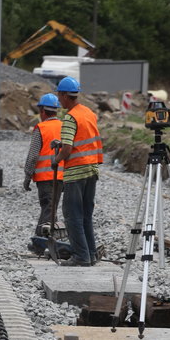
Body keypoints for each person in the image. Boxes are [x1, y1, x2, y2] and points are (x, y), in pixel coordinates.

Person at [54, 76, 103, 266]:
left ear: (66, 96)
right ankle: (90, 254)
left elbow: (67, 149)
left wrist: (55, 160)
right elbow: (83, 139)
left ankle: (81, 257)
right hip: (92, 169)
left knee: (72, 215)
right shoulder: (88, 112)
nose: (58, 99)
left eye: (59, 95)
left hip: (76, 171)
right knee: (85, 215)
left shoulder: (70, 117)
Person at [22, 92, 64, 234]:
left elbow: (33, 156)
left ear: (43, 111)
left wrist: (27, 176)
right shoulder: (64, 127)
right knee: (51, 210)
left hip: (46, 177)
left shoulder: (41, 128)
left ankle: (42, 242)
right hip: (60, 176)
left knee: (48, 209)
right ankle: (43, 241)